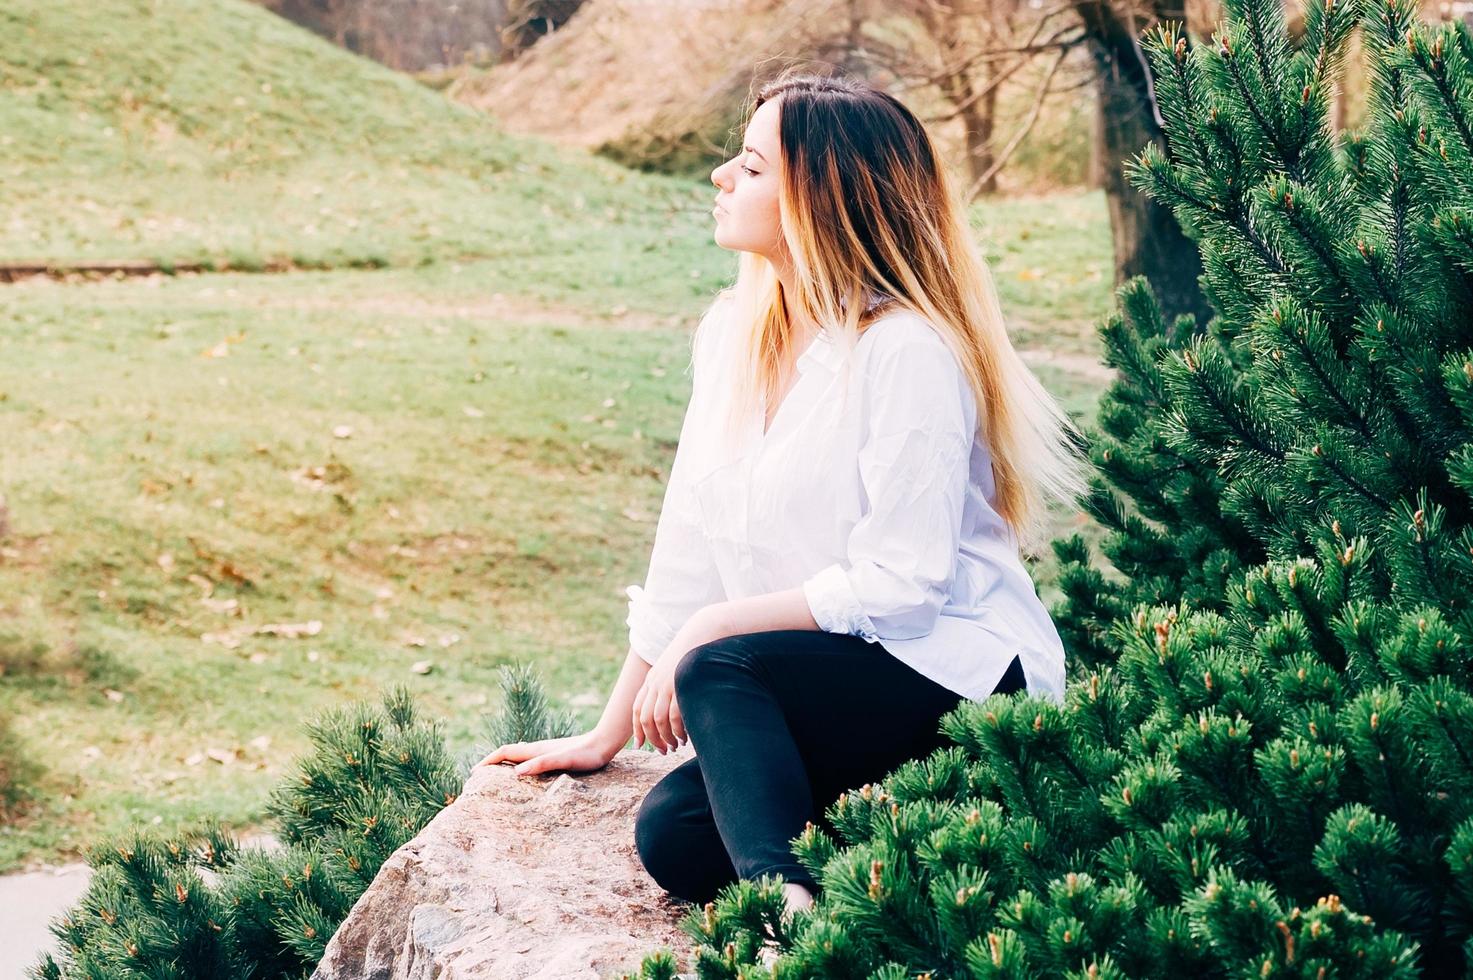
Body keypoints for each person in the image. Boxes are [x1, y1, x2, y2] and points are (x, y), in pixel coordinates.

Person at [478, 69, 1091, 921]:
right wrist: (606, 733)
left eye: (754, 166)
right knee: (675, 835)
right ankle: (884, 865)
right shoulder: (732, 335)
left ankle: (787, 924)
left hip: (960, 674)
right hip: (824, 678)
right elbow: (688, 544)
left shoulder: (905, 350)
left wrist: (710, 631)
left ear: (823, 196)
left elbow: (904, 588)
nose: (721, 176)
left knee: (722, 664)